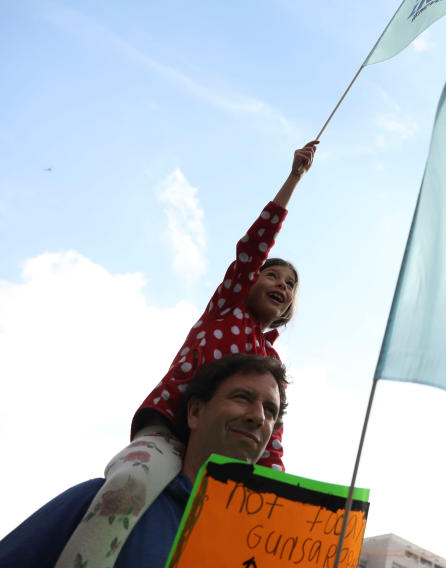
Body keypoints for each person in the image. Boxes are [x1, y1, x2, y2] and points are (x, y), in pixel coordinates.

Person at [54, 139, 317, 568]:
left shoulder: (273, 371)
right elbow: (252, 247)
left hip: (225, 461)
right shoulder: (226, 311)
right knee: (133, 483)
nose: (283, 285)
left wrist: (279, 497)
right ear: (247, 281)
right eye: (272, 274)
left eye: (291, 285)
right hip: (171, 435)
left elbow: (272, 439)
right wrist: (293, 179)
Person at [0, 354, 289, 568]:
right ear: (196, 412)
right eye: (242, 397)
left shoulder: (261, 549)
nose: (257, 416)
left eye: (270, 410)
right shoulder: (103, 500)